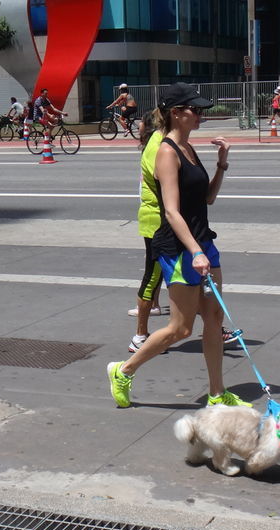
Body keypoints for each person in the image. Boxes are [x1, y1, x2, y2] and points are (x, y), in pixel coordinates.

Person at [107, 82, 249, 409]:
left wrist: (222, 163)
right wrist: (195, 252)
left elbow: (207, 198)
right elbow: (171, 210)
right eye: (194, 110)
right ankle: (124, 371)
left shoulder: (188, 147)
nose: (200, 115)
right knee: (181, 328)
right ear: (176, 113)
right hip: (180, 248)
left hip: (203, 242)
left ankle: (217, 394)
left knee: (213, 320)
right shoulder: (167, 151)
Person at [128, 108, 168, 353]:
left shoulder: (161, 142)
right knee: (152, 275)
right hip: (157, 222)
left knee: (184, 278)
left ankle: (215, 328)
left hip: (161, 220)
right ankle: (140, 335)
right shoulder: (157, 145)